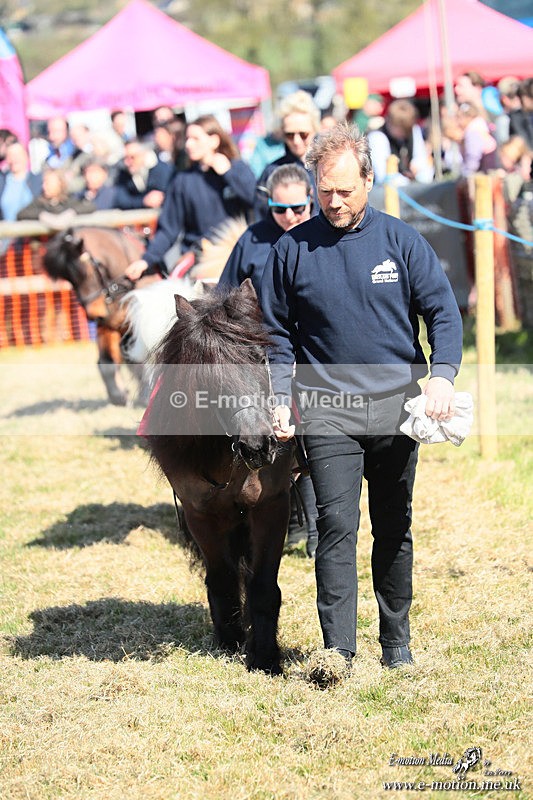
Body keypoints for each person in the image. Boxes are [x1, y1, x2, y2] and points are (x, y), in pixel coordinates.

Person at [259, 123, 463, 675]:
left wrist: (442, 376)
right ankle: (339, 651)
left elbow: (443, 314)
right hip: (327, 409)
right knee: (335, 526)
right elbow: (276, 334)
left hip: (397, 407)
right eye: (325, 190)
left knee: (393, 525)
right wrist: (279, 395)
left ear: (369, 181)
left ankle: (396, 643)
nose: (334, 201)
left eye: (346, 190)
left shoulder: (402, 241)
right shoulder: (290, 250)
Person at [218, 163, 318, 557]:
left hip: (311, 351)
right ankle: (280, 516)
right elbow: (225, 295)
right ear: (268, 204)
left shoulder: (324, 235)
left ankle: (317, 528)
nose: (290, 216)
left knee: (311, 436)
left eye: (298, 208)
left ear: (311, 200)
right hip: (259, 352)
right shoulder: (252, 239)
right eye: (280, 209)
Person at [125, 115, 257, 282]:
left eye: (195, 138)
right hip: (197, 256)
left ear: (214, 140)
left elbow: (255, 201)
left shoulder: (237, 168)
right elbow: (168, 229)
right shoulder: (182, 180)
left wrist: (228, 173)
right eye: (187, 139)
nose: (188, 144)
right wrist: (146, 260)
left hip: (235, 253)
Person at [256, 90, 321, 218]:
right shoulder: (272, 172)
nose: (296, 141)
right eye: (290, 135)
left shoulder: (328, 167)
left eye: (303, 134)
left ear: (314, 130)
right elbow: (261, 217)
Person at [367, 99, 434, 185]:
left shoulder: (413, 130)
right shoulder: (377, 137)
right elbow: (384, 177)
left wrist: (417, 168)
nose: (405, 134)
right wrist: (408, 180)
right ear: (390, 122)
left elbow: (422, 163)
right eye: (402, 130)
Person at [113, 138, 173, 211]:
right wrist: (143, 201)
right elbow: (121, 200)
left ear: (143, 155)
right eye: (125, 158)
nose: (127, 162)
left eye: (132, 157)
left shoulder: (163, 170)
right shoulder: (123, 173)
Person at [16, 166, 95, 222]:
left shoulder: (69, 200)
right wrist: (42, 215)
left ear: (60, 183)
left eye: (48, 183)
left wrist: (71, 212)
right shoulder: (39, 202)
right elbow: (21, 214)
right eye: (44, 182)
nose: (44, 186)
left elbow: (89, 207)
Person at [0, 142, 42, 221]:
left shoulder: (38, 180)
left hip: (31, 227)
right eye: (10, 155)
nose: (13, 159)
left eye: (17, 155)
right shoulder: (2, 181)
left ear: (26, 156)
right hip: (5, 227)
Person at [456, 102, 498, 176]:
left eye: (459, 118)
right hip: (491, 160)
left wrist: (467, 172)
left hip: (485, 163)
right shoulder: (480, 124)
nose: (458, 122)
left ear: (468, 117)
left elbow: (473, 154)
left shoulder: (472, 130)